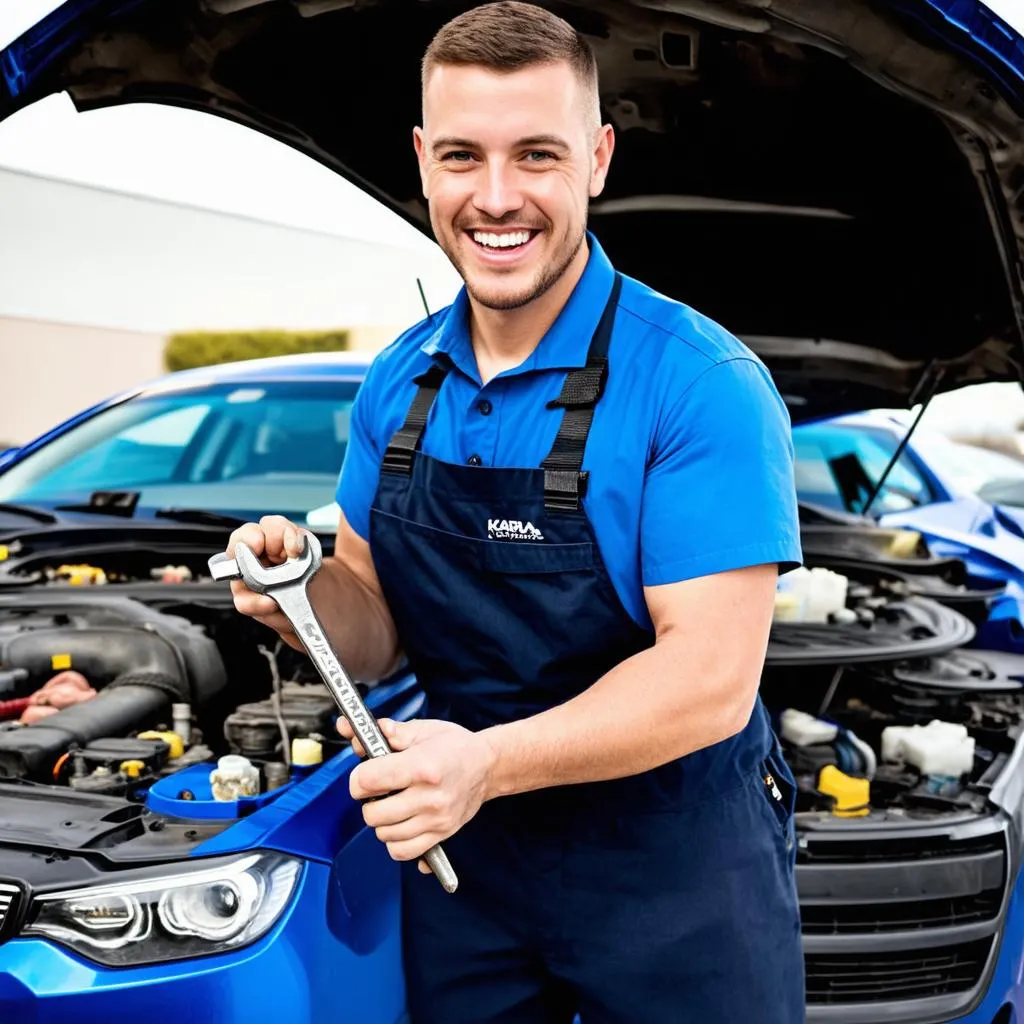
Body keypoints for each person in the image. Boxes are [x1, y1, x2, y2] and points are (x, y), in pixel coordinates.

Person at [227, 2, 805, 1020]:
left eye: (535, 155)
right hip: (468, 865)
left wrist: (485, 763)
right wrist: (304, 592)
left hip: (671, 867)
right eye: (462, 156)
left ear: (596, 158)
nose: (495, 198)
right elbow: (373, 628)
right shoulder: (396, 384)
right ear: (421, 161)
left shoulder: (697, 381)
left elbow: (709, 679)